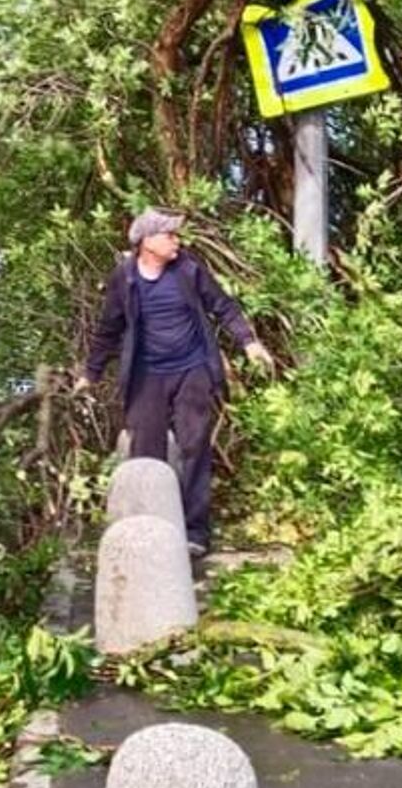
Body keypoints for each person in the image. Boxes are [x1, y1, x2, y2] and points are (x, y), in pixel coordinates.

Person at [80, 209, 274, 558]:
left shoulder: (188, 269)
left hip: (192, 369)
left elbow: (223, 306)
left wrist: (248, 342)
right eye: (169, 236)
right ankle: (151, 530)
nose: (177, 241)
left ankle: (196, 532)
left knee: (195, 445)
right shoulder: (124, 279)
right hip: (147, 376)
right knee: (146, 453)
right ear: (147, 242)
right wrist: (90, 374)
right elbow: (109, 329)